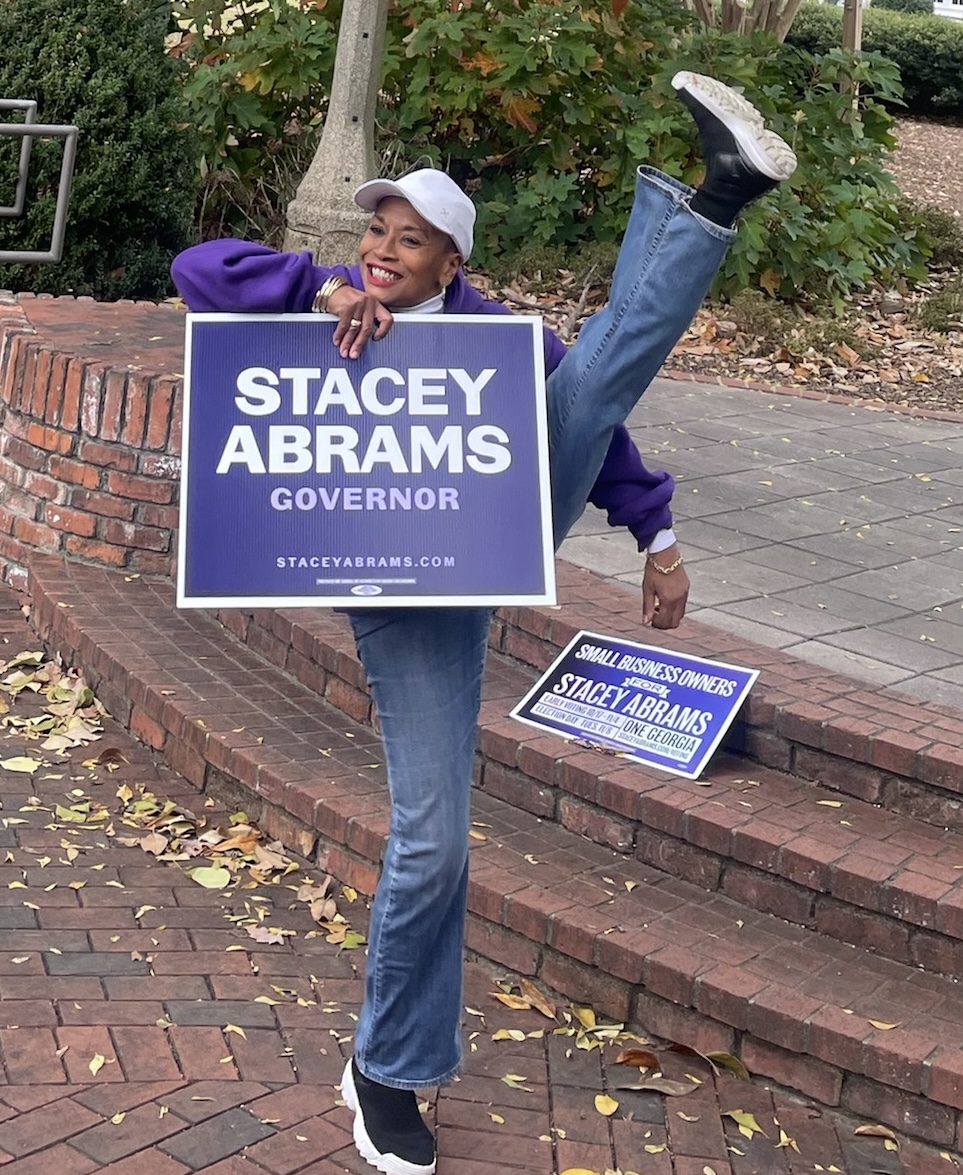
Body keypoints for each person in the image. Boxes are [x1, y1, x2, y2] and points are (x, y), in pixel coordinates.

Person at [173, 71, 796, 1175]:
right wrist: (316, 291)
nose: (383, 251)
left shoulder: (494, 337)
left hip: (493, 527)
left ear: (452, 265)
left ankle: (718, 195)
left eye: (410, 242)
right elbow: (195, 269)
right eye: (378, 230)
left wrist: (658, 540)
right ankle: (386, 1062)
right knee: (437, 839)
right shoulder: (330, 300)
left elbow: (603, 431)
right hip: (403, 601)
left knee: (587, 378)